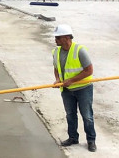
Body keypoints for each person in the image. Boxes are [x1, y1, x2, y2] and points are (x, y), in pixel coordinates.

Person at [52, 24, 96, 152]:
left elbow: (89, 70)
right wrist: (58, 80)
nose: (55, 40)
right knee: (70, 115)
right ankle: (73, 138)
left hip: (83, 89)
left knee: (87, 116)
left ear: (66, 38)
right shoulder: (56, 51)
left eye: (58, 38)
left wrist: (71, 80)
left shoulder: (79, 50)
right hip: (66, 90)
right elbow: (56, 68)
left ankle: (91, 140)